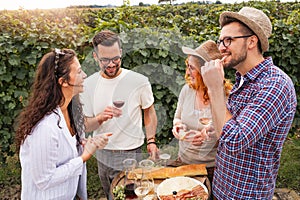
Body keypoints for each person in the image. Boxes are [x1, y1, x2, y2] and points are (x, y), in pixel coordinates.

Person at [200, 7, 297, 199]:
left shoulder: (275, 84)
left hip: (247, 194)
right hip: (222, 188)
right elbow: (231, 127)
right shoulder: (242, 79)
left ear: (252, 41)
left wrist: (215, 90)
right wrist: (216, 127)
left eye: (229, 40)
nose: (221, 48)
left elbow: (235, 140)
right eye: (221, 41)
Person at [15, 48, 111, 200]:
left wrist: (87, 144)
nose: (85, 76)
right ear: (63, 82)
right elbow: (43, 180)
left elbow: (67, 149)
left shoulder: (70, 110)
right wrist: (84, 157)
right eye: (79, 72)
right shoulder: (44, 127)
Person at [80, 30, 158, 199]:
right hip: (102, 153)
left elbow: (149, 112)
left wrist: (151, 141)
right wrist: (100, 118)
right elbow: (86, 125)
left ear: (121, 53)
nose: (111, 64)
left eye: (115, 58)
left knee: (134, 195)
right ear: (95, 56)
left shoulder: (139, 81)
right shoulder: (88, 85)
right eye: (104, 60)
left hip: (132, 152)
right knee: (111, 195)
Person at [172, 40, 232, 194]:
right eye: (187, 66)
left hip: (212, 168)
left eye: (192, 68)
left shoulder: (225, 96)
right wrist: (178, 127)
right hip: (184, 162)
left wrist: (211, 134)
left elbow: (231, 136)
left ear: (205, 71)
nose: (187, 73)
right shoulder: (187, 90)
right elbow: (177, 118)